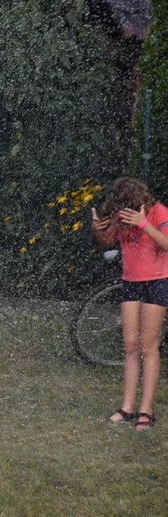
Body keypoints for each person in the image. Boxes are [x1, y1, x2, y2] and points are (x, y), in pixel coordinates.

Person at [92, 177, 165, 431]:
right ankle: (127, 407)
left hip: (157, 282)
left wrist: (143, 224)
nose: (123, 211)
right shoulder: (123, 215)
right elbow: (108, 241)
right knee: (131, 346)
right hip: (131, 283)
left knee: (149, 346)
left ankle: (146, 411)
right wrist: (98, 229)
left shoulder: (159, 212)